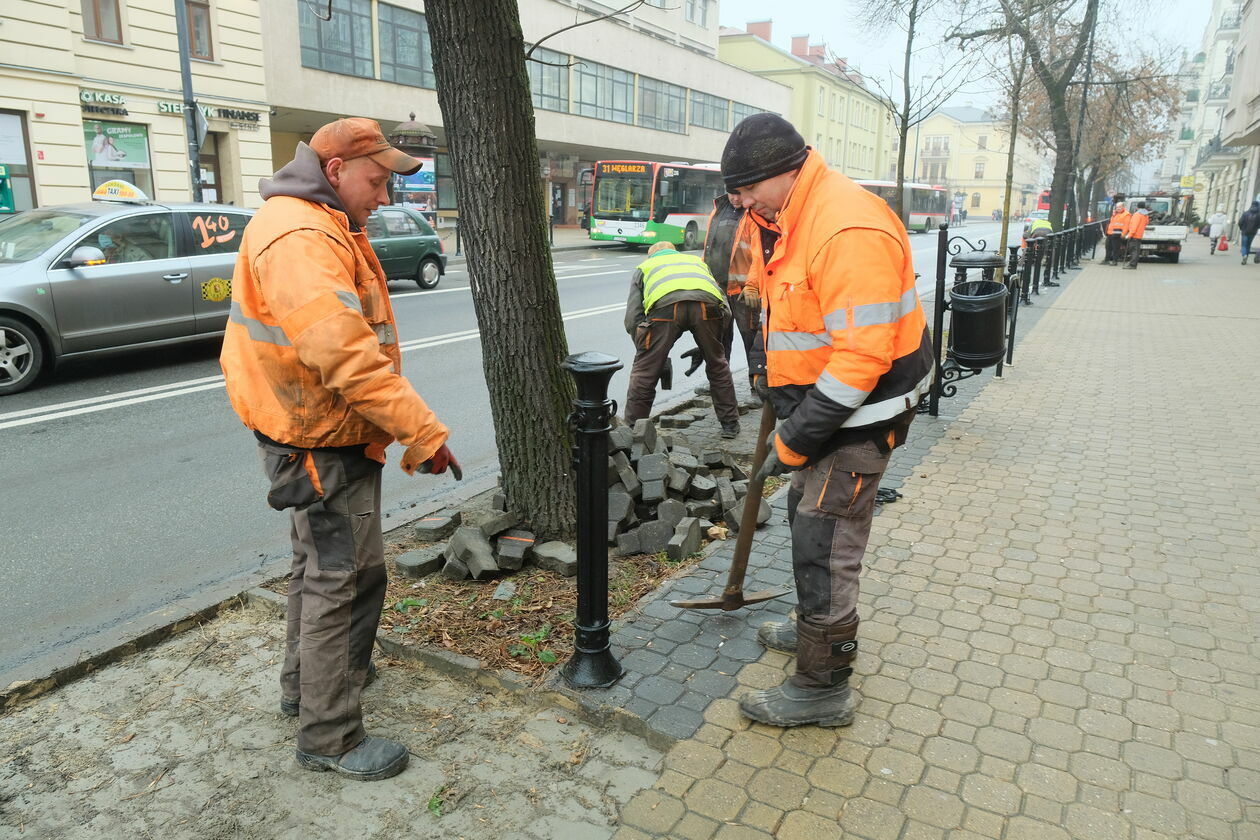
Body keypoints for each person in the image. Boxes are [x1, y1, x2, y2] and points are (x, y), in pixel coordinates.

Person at [220, 117, 460, 782]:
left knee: (320, 569)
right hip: (321, 439)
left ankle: (314, 685)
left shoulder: (310, 221)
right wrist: (424, 432)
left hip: (312, 432)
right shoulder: (302, 235)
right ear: (335, 172)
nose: (384, 195)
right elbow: (348, 357)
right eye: (376, 180)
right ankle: (330, 733)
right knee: (342, 579)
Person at [722, 114, 933, 728]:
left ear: (780, 173)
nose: (738, 203)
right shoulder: (792, 214)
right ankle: (811, 629)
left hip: (854, 423)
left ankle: (824, 684)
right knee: (808, 524)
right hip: (825, 415)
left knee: (827, 545)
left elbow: (861, 358)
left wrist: (796, 437)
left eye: (744, 190)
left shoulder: (845, 226)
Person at [623, 240, 740, 437]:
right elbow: (724, 306)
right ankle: (730, 425)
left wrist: (647, 350)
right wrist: (712, 343)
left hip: (665, 309)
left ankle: (633, 430)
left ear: (651, 256)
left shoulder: (645, 267)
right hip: (706, 307)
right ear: (674, 252)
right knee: (718, 366)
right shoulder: (697, 263)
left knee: (645, 373)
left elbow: (633, 318)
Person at [703, 192, 761, 390]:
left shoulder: (754, 214)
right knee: (718, 338)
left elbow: (759, 254)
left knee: (751, 338)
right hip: (718, 288)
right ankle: (720, 386)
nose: (735, 198)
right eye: (732, 194)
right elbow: (709, 248)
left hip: (744, 291)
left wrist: (753, 284)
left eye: (739, 194)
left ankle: (758, 385)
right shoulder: (718, 211)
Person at [1123, 201, 1150, 269]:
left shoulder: (1137, 214)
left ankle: (1132, 265)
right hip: (1139, 235)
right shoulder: (1145, 215)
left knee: (1133, 251)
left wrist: (1129, 235)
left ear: (1137, 207)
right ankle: (1133, 264)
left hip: (1134, 235)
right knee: (1136, 250)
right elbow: (1146, 223)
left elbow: (1134, 226)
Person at [1104, 199, 1129, 265]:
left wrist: (1123, 234)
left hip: (1118, 234)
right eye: (1117, 207)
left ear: (1123, 207)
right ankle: (1106, 260)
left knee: (1116, 248)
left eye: (1119, 207)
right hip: (1110, 233)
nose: (1118, 208)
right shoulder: (1115, 214)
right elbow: (1112, 223)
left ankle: (1115, 261)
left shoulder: (1126, 215)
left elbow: (1126, 225)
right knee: (1107, 246)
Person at [1239, 200, 1260, 265]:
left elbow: (1240, 222)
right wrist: (1256, 228)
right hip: (1253, 232)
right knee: (1248, 245)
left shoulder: (1245, 213)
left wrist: (1241, 228)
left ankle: (1244, 255)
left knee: (1244, 245)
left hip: (1244, 231)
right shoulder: (1259, 214)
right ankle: (1246, 258)